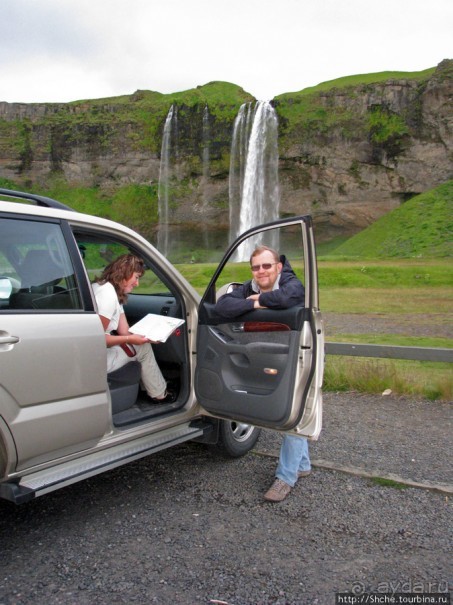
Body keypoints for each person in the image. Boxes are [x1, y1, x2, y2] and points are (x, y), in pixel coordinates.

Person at [215, 244, 311, 502]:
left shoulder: (289, 282)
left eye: (267, 266)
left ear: (278, 267)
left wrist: (258, 302)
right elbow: (223, 306)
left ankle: (285, 477)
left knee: (293, 410)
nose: (261, 271)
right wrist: (253, 301)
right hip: (268, 352)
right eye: (256, 267)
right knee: (291, 409)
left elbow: (293, 296)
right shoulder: (250, 287)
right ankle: (302, 466)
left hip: (299, 353)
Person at [92, 254, 173, 403]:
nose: (137, 283)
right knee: (143, 350)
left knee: (142, 345)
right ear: (124, 273)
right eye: (136, 277)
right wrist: (131, 339)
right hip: (96, 357)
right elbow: (96, 339)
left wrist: (148, 336)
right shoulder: (108, 296)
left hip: (95, 353)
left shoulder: (108, 289)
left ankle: (153, 390)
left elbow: (124, 331)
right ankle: (159, 394)